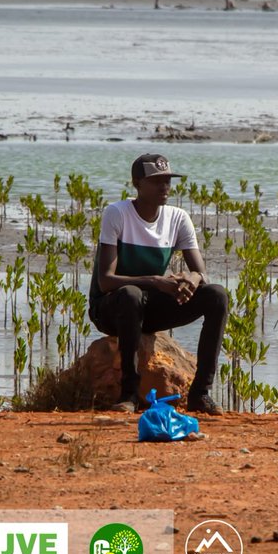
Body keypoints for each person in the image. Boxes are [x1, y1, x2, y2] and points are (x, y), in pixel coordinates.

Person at [89, 153, 229, 415]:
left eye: (167, 180)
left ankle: (201, 394)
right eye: (156, 181)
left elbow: (201, 272)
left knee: (217, 295)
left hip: (147, 308)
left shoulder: (177, 218)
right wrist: (157, 281)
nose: (164, 186)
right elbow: (106, 281)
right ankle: (129, 394)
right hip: (111, 308)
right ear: (137, 183)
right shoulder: (117, 213)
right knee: (130, 295)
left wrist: (190, 279)